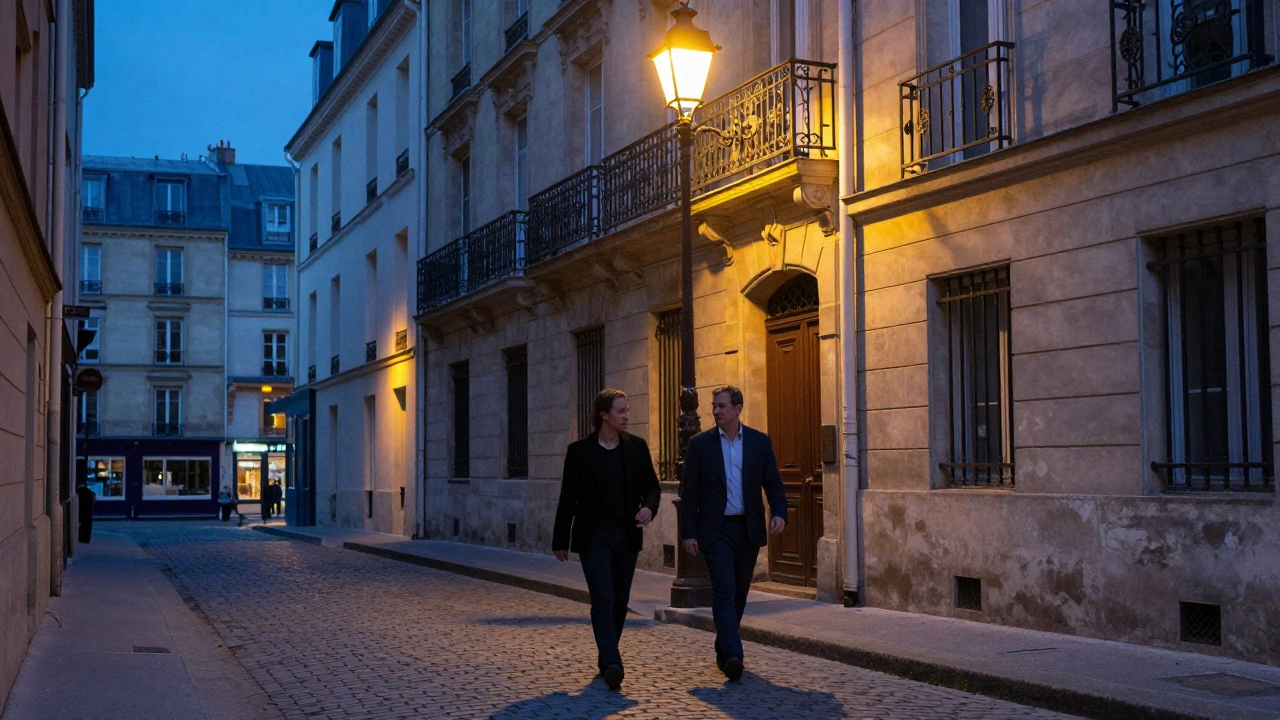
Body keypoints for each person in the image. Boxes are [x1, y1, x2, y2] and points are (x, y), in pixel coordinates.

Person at [552, 389, 660, 691]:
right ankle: (613, 662)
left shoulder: (636, 448)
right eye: (621, 411)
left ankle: (605, 657)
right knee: (603, 597)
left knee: (620, 601)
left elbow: (651, 488)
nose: (627, 416)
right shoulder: (579, 452)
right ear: (604, 415)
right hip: (593, 536)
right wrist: (560, 539)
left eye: (627, 410)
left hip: (626, 534)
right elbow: (568, 497)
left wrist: (649, 508)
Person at [680, 385, 787, 681]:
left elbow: (773, 482)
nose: (716, 411)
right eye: (714, 406)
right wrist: (689, 532)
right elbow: (689, 493)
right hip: (717, 530)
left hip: (747, 528)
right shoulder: (701, 445)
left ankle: (723, 646)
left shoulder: (758, 442)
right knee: (724, 590)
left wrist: (779, 512)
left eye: (722, 406)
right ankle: (735, 655)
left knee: (739, 592)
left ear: (738, 408)